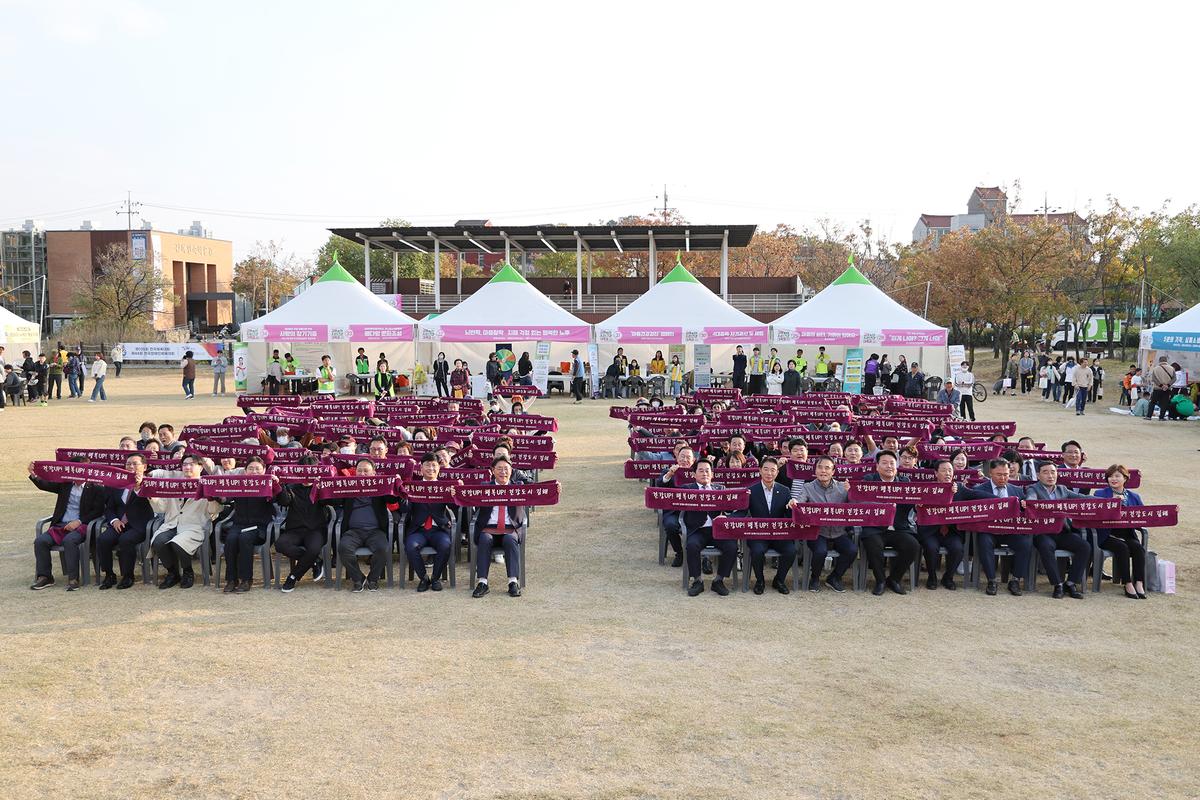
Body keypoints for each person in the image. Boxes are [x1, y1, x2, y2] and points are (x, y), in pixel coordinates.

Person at [28, 458, 107, 591]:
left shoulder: (96, 487)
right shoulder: (65, 483)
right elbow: (45, 484)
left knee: (69, 541)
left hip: (82, 527)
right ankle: (45, 577)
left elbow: (98, 511)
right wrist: (34, 475)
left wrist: (79, 521)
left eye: (81, 469)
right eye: (74, 468)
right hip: (60, 525)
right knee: (40, 541)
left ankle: (73, 578)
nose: (78, 472)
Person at [148, 455, 224, 590]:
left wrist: (211, 498)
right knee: (158, 541)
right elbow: (161, 507)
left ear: (200, 467)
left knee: (178, 543)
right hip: (172, 524)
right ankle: (172, 573)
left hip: (194, 526)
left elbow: (215, 511)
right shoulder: (175, 484)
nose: (187, 467)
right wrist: (152, 497)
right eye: (184, 464)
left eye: (192, 464)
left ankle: (188, 571)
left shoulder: (207, 484)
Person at [961, 458, 1031, 596]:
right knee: (984, 542)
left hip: (1010, 531)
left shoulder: (1017, 490)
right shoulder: (979, 490)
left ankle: (1015, 580)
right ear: (991, 473)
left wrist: (1025, 506)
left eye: (1006, 474)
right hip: (989, 531)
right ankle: (991, 580)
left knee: (1025, 544)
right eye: (999, 474)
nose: (1003, 478)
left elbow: (1025, 512)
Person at [1024, 462, 1094, 598]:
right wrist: (1028, 503)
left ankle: (1071, 583)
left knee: (1084, 547)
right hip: (1043, 533)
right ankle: (1058, 584)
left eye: (1053, 472)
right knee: (1046, 547)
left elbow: (1083, 499)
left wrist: (1107, 501)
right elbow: (1031, 499)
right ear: (1038, 475)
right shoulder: (1033, 488)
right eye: (1045, 472)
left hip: (1062, 531)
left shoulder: (1063, 490)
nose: (1050, 476)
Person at [856, 451, 921, 595]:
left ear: (897, 466)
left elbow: (912, 505)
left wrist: (918, 504)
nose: (889, 466)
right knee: (873, 544)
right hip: (875, 528)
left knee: (913, 545)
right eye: (884, 463)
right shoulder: (869, 480)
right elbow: (860, 501)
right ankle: (880, 581)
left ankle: (894, 579)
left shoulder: (904, 482)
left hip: (898, 528)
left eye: (892, 463)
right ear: (877, 466)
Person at [218, 457, 286, 593]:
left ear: (264, 470)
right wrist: (215, 494)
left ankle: (246, 579)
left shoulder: (269, 484)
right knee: (230, 540)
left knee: (245, 538)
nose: (254, 472)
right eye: (251, 468)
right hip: (239, 524)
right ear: (245, 471)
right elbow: (226, 499)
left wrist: (277, 485)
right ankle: (231, 579)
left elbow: (283, 500)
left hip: (261, 527)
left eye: (258, 469)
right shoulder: (239, 483)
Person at [792, 455, 856, 592]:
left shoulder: (842, 487)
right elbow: (800, 500)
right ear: (815, 470)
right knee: (820, 551)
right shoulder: (808, 487)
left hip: (839, 531)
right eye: (820, 467)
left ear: (833, 471)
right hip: (817, 531)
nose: (823, 471)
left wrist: (851, 493)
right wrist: (794, 502)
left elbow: (854, 507)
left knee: (852, 550)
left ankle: (834, 577)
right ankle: (815, 578)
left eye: (827, 468)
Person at [330, 459, 395, 592]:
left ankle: (373, 579)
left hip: (375, 531)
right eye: (359, 470)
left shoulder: (380, 487)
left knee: (383, 548)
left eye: (366, 471)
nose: (362, 474)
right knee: (343, 547)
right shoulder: (350, 486)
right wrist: (325, 484)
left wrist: (395, 483)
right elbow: (335, 499)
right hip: (353, 531)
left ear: (374, 473)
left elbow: (393, 499)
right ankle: (358, 578)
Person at [95, 453, 154, 589]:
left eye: (135, 463)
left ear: (144, 467)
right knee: (103, 539)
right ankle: (109, 574)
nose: (131, 466)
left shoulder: (149, 483)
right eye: (128, 464)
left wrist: (139, 486)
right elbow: (109, 507)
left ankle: (128, 576)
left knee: (126, 540)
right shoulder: (117, 484)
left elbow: (155, 504)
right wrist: (114, 520)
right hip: (119, 524)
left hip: (139, 525)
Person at [471, 457, 527, 598]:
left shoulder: (518, 487)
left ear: (511, 471)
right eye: (499, 469)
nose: (503, 472)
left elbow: (539, 492)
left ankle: (513, 582)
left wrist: (554, 489)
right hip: (489, 528)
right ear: (492, 471)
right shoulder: (485, 487)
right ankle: (483, 582)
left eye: (506, 469)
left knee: (510, 540)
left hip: (510, 528)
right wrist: (456, 491)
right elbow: (468, 497)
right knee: (484, 538)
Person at [400, 454, 454, 591]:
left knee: (445, 544)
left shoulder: (444, 487)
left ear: (439, 468)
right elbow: (404, 509)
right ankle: (424, 578)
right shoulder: (413, 487)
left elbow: (456, 508)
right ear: (421, 468)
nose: (431, 468)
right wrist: (403, 496)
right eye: (427, 465)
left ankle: (435, 578)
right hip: (419, 530)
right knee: (411, 546)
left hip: (439, 529)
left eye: (434, 465)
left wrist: (455, 495)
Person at [914, 459, 971, 590]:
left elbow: (978, 495)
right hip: (930, 531)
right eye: (944, 470)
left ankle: (948, 577)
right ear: (936, 473)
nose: (947, 473)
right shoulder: (927, 489)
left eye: (950, 470)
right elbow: (914, 506)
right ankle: (932, 577)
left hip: (951, 531)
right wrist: (918, 505)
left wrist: (1003, 501)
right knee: (931, 547)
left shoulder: (959, 488)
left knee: (957, 548)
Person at [682, 460, 737, 597]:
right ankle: (697, 581)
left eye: (707, 470)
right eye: (701, 470)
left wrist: (727, 517)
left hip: (717, 530)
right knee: (692, 545)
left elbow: (730, 509)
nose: (704, 473)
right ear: (694, 474)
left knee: (732, 546)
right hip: (697, 529)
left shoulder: (721, 489)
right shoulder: (687, 489)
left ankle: (719, 580)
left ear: (712, 474)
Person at [1094, 464, 1148, 599]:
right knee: (1122, 548)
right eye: (1110, 476)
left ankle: (1139, 582)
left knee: (1138, 548)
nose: (1113, 479)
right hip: (1107, 534)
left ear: (1125, 478)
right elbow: (1096, 514)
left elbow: (1143, 515)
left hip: (1127, 533)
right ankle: (1127, 584)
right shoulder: (1099, 493)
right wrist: (1111, 503)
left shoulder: (1134, 496)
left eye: (1117, 476)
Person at [743, 457, 796, 594]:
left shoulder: (784, 490)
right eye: (765, 469)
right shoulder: (751, 490)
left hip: (779, 533)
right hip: (759, 533)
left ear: (777, 473)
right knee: (757, 551)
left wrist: (792, 507)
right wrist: (727, 517)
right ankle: (760, 581)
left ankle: (779, 580)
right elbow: (742, 512)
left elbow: (788, 514)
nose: (769, 473)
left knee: (791, 550)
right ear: (760, 470)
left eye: (773, 470)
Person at [655, 446, 696, 567]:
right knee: (670, 525)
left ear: (693, 460)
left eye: (688, 457)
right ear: (676, 458)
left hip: (695, 512)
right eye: (682, 456)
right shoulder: (669, 471)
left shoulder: (698, 472)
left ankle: (703, 557)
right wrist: (669, 474)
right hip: (674, 512)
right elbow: (660, 484)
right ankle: (679, 553)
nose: (685, 460)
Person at [1144, 356, 1176, 420]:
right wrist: (1167, 385)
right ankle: (1161, 417)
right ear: (1166, 361)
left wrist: (1161, 385)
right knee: (1164, 403)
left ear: (1159, 361)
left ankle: (1149, 416)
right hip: (1167, 389)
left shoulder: (1155, 368)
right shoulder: (1172, 368)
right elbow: (1174, 378)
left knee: (1152, 402)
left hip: (1157, 389)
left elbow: (1154, 379)